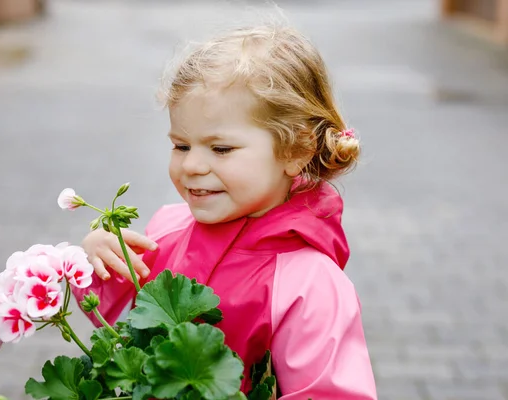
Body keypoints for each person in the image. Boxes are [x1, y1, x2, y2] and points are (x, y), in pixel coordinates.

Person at [72, 22, 377, 399]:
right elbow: (116, 322)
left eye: (220, 149)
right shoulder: (166, 228)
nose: (192, 166)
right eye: (181, 146)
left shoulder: (310, 283)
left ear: (295, 151)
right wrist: (92, 260)